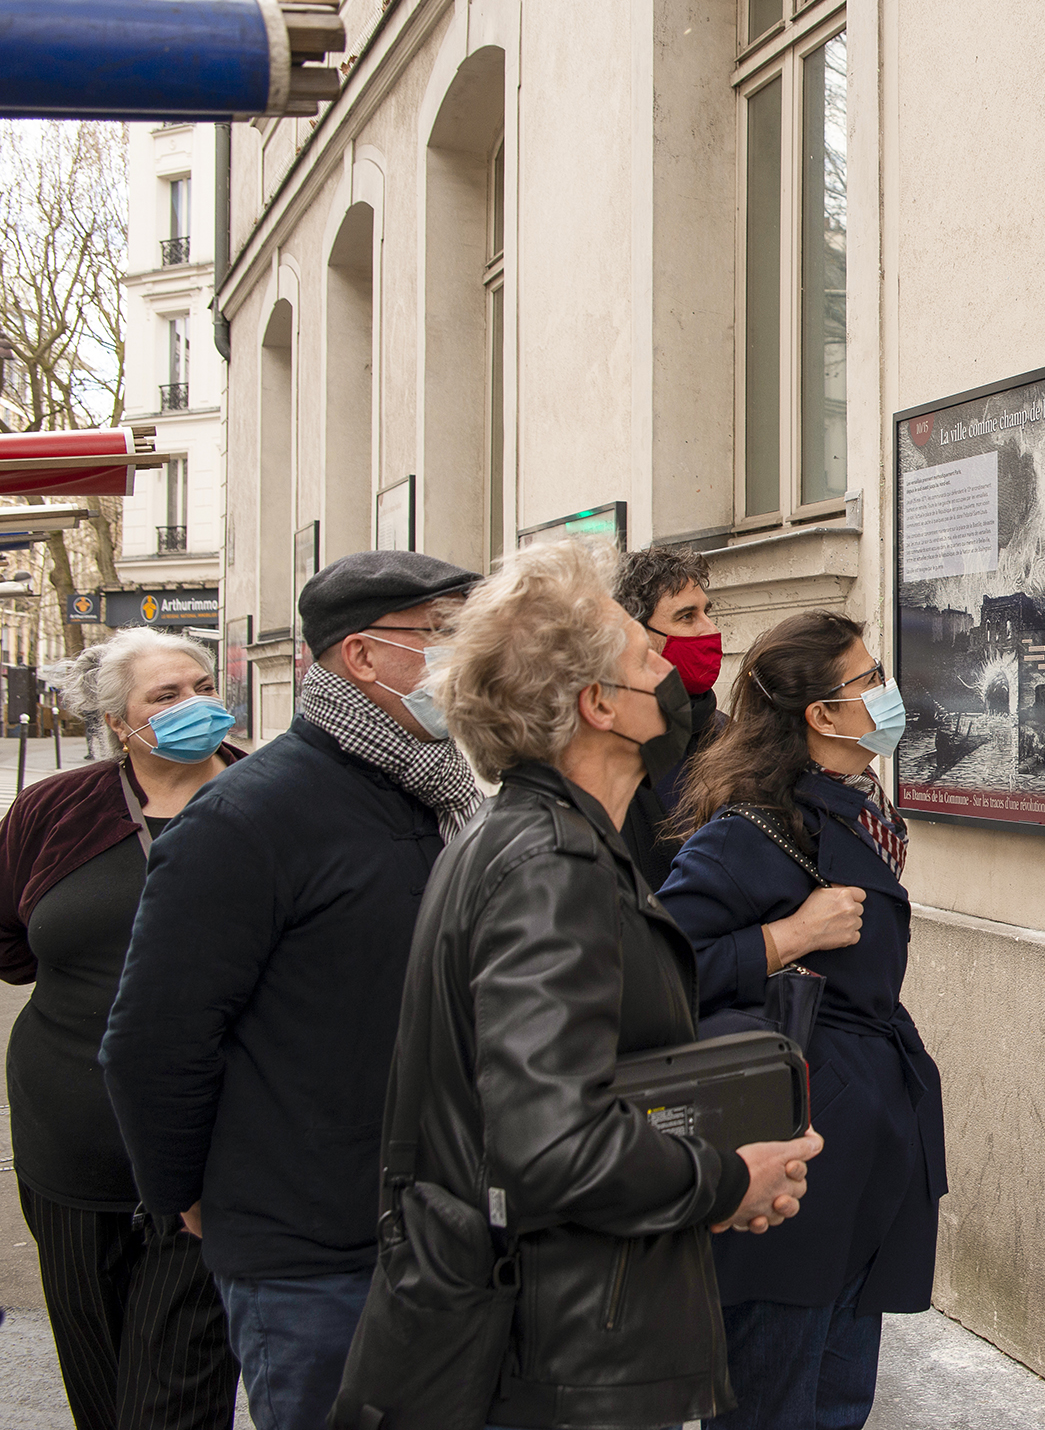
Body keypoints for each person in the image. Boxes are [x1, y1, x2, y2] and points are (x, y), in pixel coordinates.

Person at [373, 537, 821, 1429]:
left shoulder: (545, 839)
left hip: (562, 1327)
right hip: (560, 1353)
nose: (673, 667)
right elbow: (548, 1149)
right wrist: (724, 1181)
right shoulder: (549, 863)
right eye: (646, 654)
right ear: (599, 706)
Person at [101, 551, 482, 1430]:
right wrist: (194, 1201)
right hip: (311, 1255)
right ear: (361, 658)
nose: (468, 658)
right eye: (444, 636)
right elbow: (154, 1041)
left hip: (436, 1228)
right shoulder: (248, 817)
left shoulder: (441, 792)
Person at [661, 612, 946, 1430]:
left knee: (834, 1399)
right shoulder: (750, 830)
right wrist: (787, 937)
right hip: (789, 1160)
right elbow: (654, 972)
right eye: (868, 681)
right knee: (771, 1401)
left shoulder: (861, 811)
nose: (887, 692)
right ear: (819, 716)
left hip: (859, 1150)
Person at [0, 630, 243, 1430]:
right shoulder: (54, 811)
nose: (195, 706)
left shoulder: (269, 798)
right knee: (101, 1396)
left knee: (173, 1407)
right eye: (165, 697)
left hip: (217, 1157)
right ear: (117, 722)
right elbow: (9, 942)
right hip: (69, 1151)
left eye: (202, 685)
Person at [614, 544, 729, 886]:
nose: (709, 629)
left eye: (708, 612)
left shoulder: (734, 737)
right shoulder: (612, 749)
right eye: (686, 617)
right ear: (635, 636)